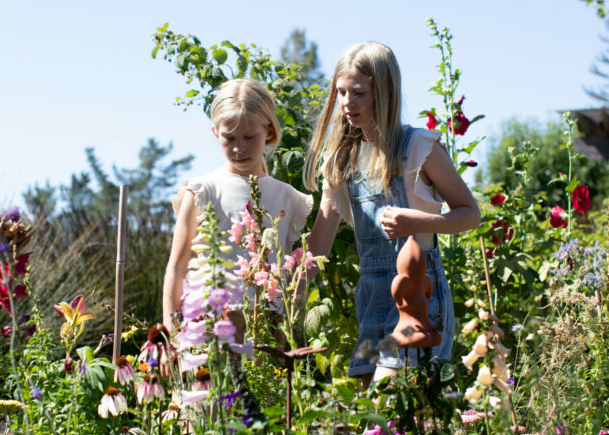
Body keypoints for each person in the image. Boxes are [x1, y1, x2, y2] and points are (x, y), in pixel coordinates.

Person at [305, 42, 480, 386]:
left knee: (386, 406)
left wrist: (415, 222)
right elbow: (318, 248)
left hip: (418, 295)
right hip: (371, 297)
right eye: (340, 92)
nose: (346, 103)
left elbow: (470, 214)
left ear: (384, 93)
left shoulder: (417, 147)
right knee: (380, 427)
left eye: (358, 93)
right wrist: (283, 289)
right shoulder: (344, 160)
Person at [163, 78, 314, 333]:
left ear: (269, 131)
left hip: (269, 328)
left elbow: (290, 275)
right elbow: (177, 267)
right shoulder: (203, 190)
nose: (238, 147)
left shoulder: (287, 197)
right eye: (229, 137)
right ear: (215, 132)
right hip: (211, 325)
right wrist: (170, 328)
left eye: (249, 136)